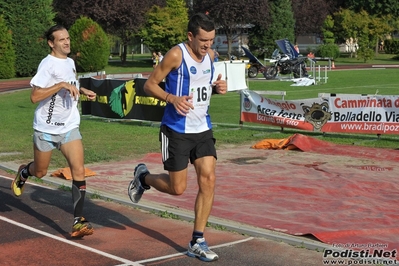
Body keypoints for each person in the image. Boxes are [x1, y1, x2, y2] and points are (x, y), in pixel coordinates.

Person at [128, 12, 227, 262]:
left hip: (202, 128)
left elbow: (204, 88)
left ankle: (198, 239)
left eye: (212, 41)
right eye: (204, 41)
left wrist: (218, 88)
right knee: (178, 188)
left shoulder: (211, 56)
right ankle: (144, 177)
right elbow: (149, 85)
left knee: (209, 179)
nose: (208, 46)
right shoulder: (176, 55)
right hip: (176, 130)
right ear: (190, 36)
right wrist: (171, 98)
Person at [11, 25, 96, 238]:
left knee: (78, 170)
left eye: (68, 38)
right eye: (61, 40)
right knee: (40, 172)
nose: (67, 42)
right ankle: (24, 172)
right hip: (45, 130)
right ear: (51, 43)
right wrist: (59, 85)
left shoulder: (70, 62)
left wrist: (81, 89)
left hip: (69, 127)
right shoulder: (47, 65)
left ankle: (78, 221)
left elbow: (69, 83)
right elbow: (34, 96)